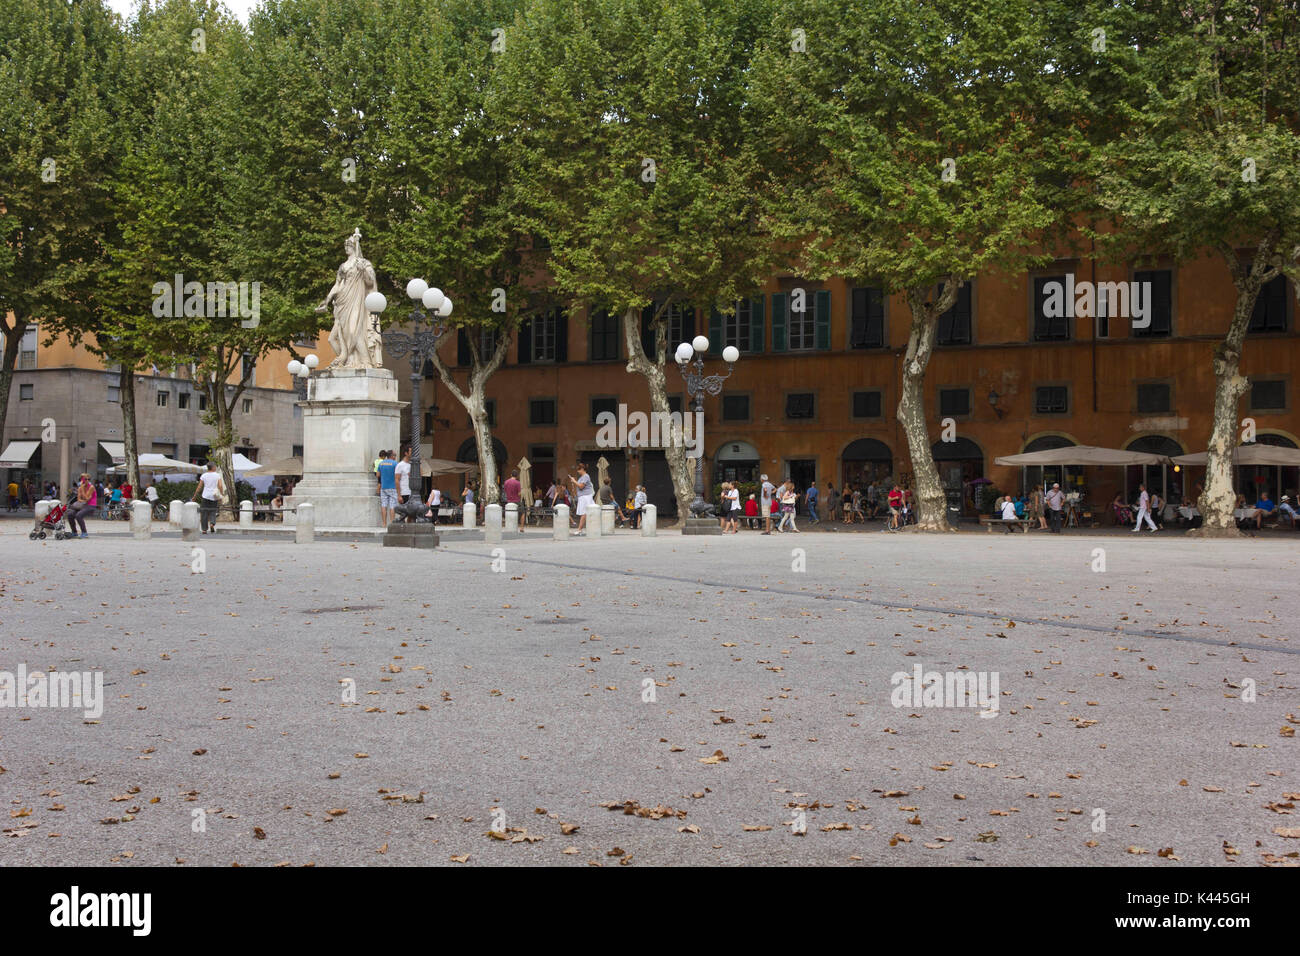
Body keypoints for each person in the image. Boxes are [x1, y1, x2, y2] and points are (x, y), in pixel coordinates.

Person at [191, 462, 224, 533]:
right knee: (213, 511)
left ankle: (204, 529)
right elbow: (220, 486)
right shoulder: (217, 475)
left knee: (204, 512)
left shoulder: (204, 475)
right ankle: (212, 523)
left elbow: (199, 487)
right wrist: (221, 494)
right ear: (213, 467)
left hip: (205, 495)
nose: (215, 468)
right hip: (214, 496)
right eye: (215, 466)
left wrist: (195, 496)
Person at [66, 474, 97, 538]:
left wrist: (82, 490)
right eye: (85, 479)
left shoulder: (91, 487)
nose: (87, 481)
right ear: (82, 480)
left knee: (78, 515)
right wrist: (83, 500)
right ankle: (74, 532)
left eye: (89, 479)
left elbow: (86, 498)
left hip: (91, 505)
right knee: (70, 514)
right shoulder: (80, 488)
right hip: (83, 505)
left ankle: (84, 532)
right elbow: (79, 499)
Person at [569, 463, 594, 535]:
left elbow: (581, 486)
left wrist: (574, 481)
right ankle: (582, 529)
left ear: (582, 469)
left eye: (578, 470)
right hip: (583, 497)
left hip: (586, 497)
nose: (577, 471)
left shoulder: (586, 476)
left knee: (584, 513)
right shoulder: (582, 477)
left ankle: (579, 529)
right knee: (585, 513)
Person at [376, 450, 398, 526]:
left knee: (384, 505)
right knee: (392, 506)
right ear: (392, 456)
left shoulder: (381, 463)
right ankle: (391, 523)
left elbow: (378, 475)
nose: (395, 457)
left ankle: (384, 524)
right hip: (393, 487)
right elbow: (398, 476)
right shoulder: (395, 463)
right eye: (395, 455)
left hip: (383, 487)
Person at [394, 447, 413, 518]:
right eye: (411, 451)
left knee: (412, 514)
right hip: (404, 492)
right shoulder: (400, 465)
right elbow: (397, 480)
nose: (413, 453)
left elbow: (421, 474)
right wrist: (399, 495)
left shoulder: (413, 464)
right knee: (405, 513)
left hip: (412, 492)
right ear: (406, 453)